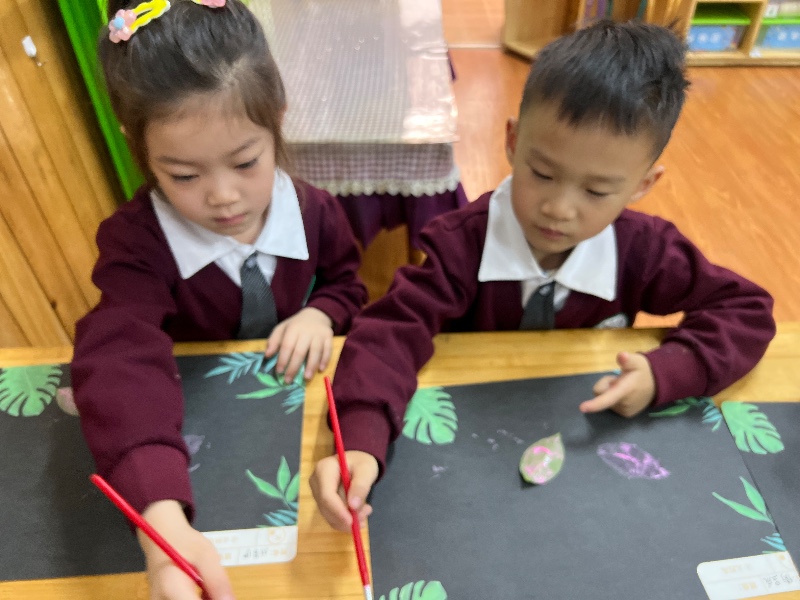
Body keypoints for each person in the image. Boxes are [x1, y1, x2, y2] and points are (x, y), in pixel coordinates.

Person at [310, 20, 776, 532]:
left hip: (586, 457)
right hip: (476, 449)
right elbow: (387, 335)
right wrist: (361, 439)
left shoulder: (647, 250)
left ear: (643, 184)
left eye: (596, 191)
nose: (559, 208)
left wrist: (667, 372)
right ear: (513, 141)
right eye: (543, 173)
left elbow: (746, 309)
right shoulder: (461, 243)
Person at [71, 1, 367, 598]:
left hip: (294, 418)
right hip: (191, 431)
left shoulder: (315, 211)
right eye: (184, 175)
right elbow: (120, 354)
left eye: (245, 162)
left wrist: (322, 312)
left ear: (277, 120)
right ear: (137, 146)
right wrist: (161, 522)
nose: (224, 196)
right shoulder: (134, 244)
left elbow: (349, 285)